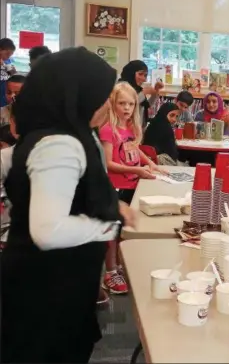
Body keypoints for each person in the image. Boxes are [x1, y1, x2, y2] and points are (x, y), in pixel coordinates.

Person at [1, 47, 135, 363]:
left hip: (56, 285)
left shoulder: (58, 133)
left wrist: (112, 203)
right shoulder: (60, 144)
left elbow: (65, 185)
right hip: (47, 290)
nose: (107, 104)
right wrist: (108, 224)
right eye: (103, 96)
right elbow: (48, 230)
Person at [99, 82, 166, 294]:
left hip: (131, 187)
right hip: (115, 188)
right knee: (112, 231)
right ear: (113, 104)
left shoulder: (130, 128)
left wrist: (151, 164)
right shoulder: (108, 130)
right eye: (122, 103)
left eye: (131, 104)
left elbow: (135, 149)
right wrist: (137, 171)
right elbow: (108, 163)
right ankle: (110, 272)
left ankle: (119, 266)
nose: (127, 108)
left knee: (124, 231)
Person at [119, 60, 164, 128]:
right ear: (131, 73)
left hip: (138, 129)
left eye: (145, 75)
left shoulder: (137, 88)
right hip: (125, 130)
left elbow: (148, 105)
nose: (144, 79)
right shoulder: (121, 86)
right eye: (140, 74)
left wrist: (156, 91)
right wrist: (144, 92)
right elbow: (129, 103)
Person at [0, 38, 17, 108]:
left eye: (10, 54)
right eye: (7, 53)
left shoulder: (7, 61)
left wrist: (12, 72)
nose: (8, 56)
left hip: (5, 96)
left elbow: (13, 77)